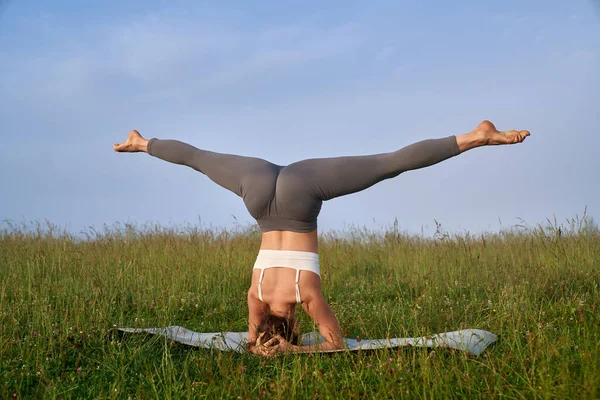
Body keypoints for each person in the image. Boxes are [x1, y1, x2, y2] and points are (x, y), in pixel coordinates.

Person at [113, 120, 529, 357]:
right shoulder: (255, 294)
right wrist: (261, 343)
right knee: (199, 159)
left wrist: (293, 352)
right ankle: (142, 142)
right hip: (257, 190)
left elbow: (336, 345)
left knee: (388, 164)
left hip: (299, 195)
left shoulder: (305, 294)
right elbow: (253, 332)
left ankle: (476, 136)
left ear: (294, 325)